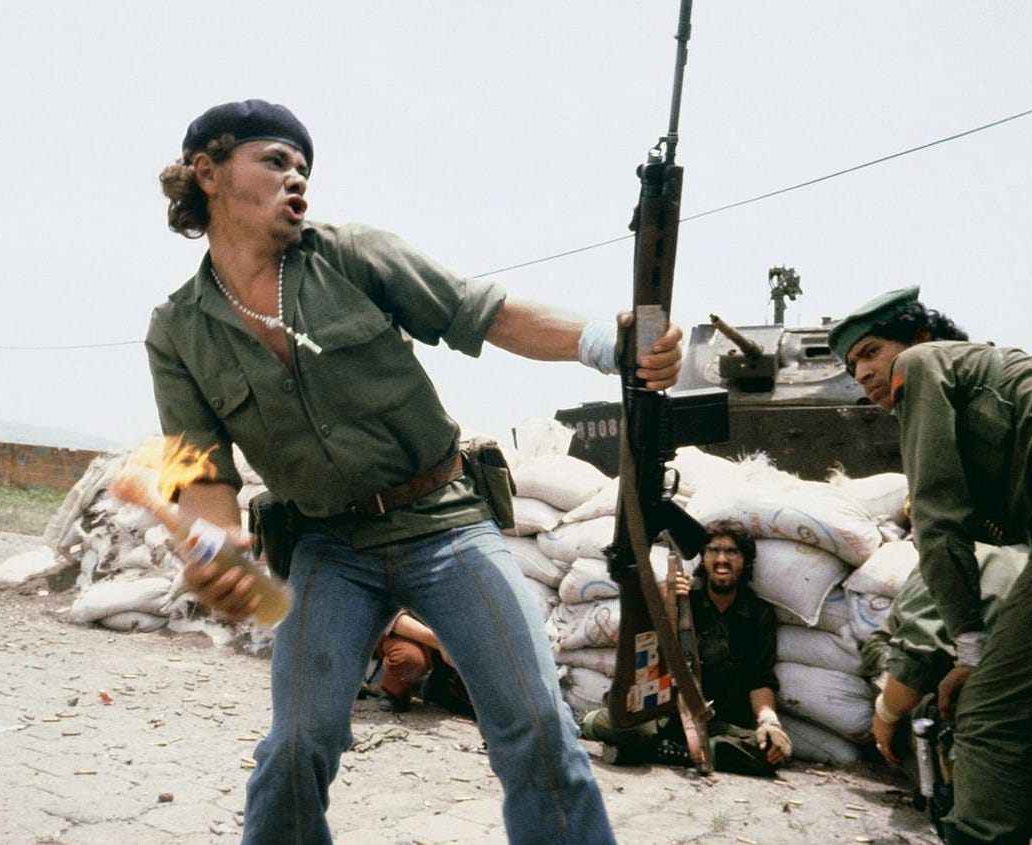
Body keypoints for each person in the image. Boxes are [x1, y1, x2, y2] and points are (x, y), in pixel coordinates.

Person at [146, 99, 684, 845]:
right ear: (207, 173)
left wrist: (606, 342)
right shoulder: (177, 330)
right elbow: (201, 471)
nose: (297, 178)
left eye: (304, 168)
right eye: (274, 161)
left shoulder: (351, 255)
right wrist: (214, 549)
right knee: (297, 745)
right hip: (329, 549)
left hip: (444, 524)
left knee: (535, 723)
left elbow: (483, 312)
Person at [829, 285, 1032, 845]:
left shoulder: (924, 363)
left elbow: (938, 520)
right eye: (851, 366)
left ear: (919, 337)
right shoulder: (996, 380)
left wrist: (971, 649)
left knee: (991, 710)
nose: (862, 373)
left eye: (870, 352)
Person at [861, 544, 1029, 767]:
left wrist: (885, 714)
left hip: (987, 726)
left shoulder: (948, 557)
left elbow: (913, 667)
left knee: (912, 705)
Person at [662, 519, 791, 775]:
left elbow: (760, 678)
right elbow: (654, 653)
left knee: (768, 750)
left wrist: (769, 722)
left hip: (717, 724)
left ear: (746, 561)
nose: (722, 560)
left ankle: (681, 752)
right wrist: (665, 602)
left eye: (732, 551)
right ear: (703, 557)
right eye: (713, 550)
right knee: (620, 726)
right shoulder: (683, 600)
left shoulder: (758, 614)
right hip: (671, 714)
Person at [363, 610, 473, 717]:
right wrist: (440, 642)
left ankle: (440, 685)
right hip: (407, 628)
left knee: (473, 694)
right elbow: (390, 616)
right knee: (409, 659)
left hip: (449, 628)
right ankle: (393, 692)